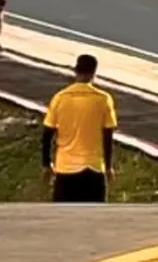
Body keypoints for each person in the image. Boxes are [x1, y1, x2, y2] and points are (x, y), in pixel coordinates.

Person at [42, 54, 118, 203]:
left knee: (64, 218)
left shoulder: (60, 98)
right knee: (93, 219)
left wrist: (46, 163)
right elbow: (108, 135)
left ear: (75, 71)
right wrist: (108, 166)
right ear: (94, 72)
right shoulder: (103, 99)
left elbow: (47, 134)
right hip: (94, 168)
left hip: (65, 168)